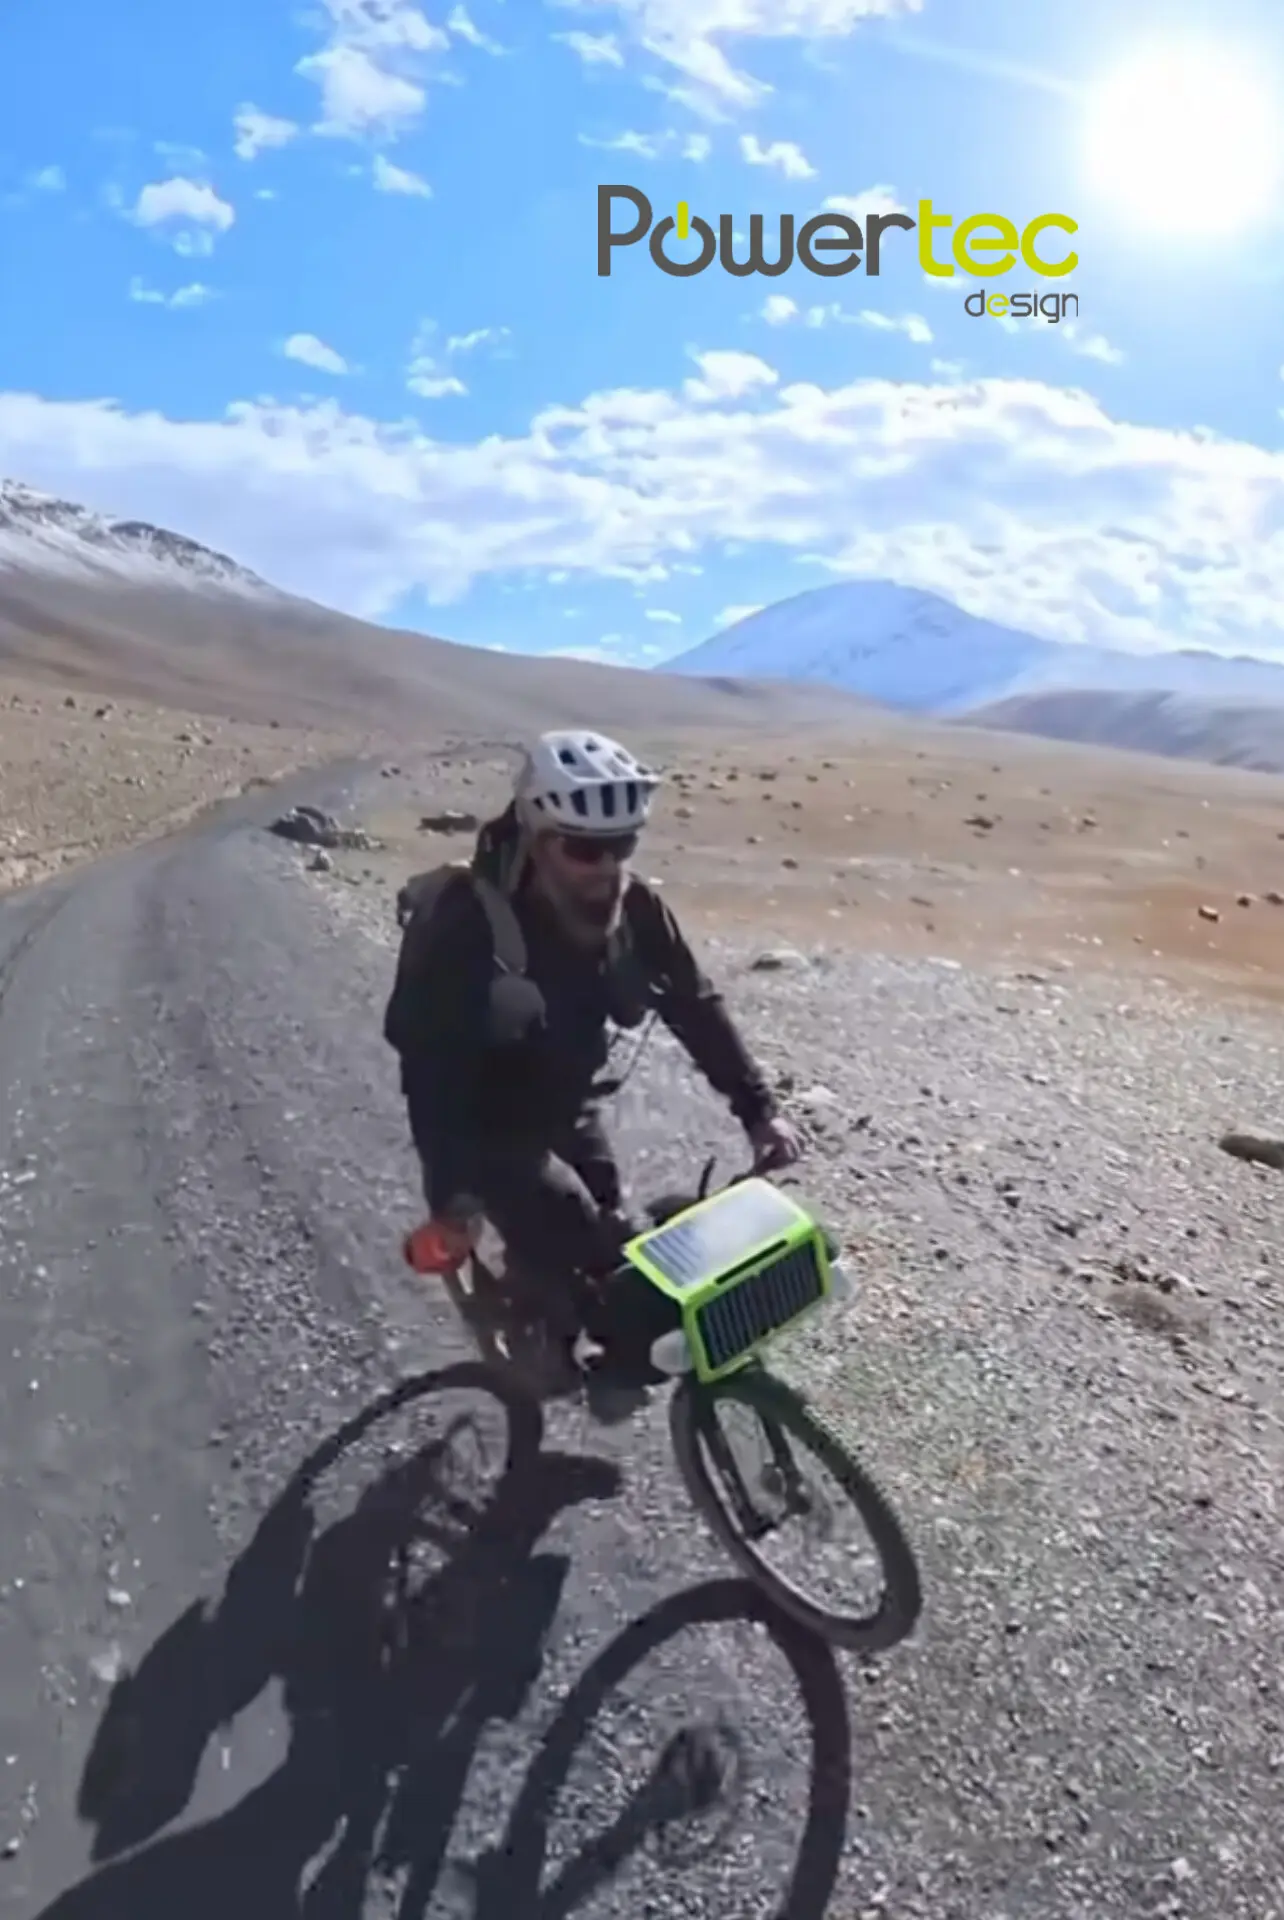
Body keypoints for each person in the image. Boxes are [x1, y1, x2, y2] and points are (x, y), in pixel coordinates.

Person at [383, 728, 802, 1331]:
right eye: (583, 849)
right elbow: (430, 1071)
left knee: (617, 1231)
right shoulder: (467, 922)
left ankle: (553, 1301)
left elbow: (694, 1002)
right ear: (536, 837)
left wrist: (759, 1111)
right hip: (483, 1123)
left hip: (568, 1096)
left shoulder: (634, 909)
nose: (605, 868)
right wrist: (453, 1202)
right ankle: (525, 1346)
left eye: (621, 844)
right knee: (575, 1231)